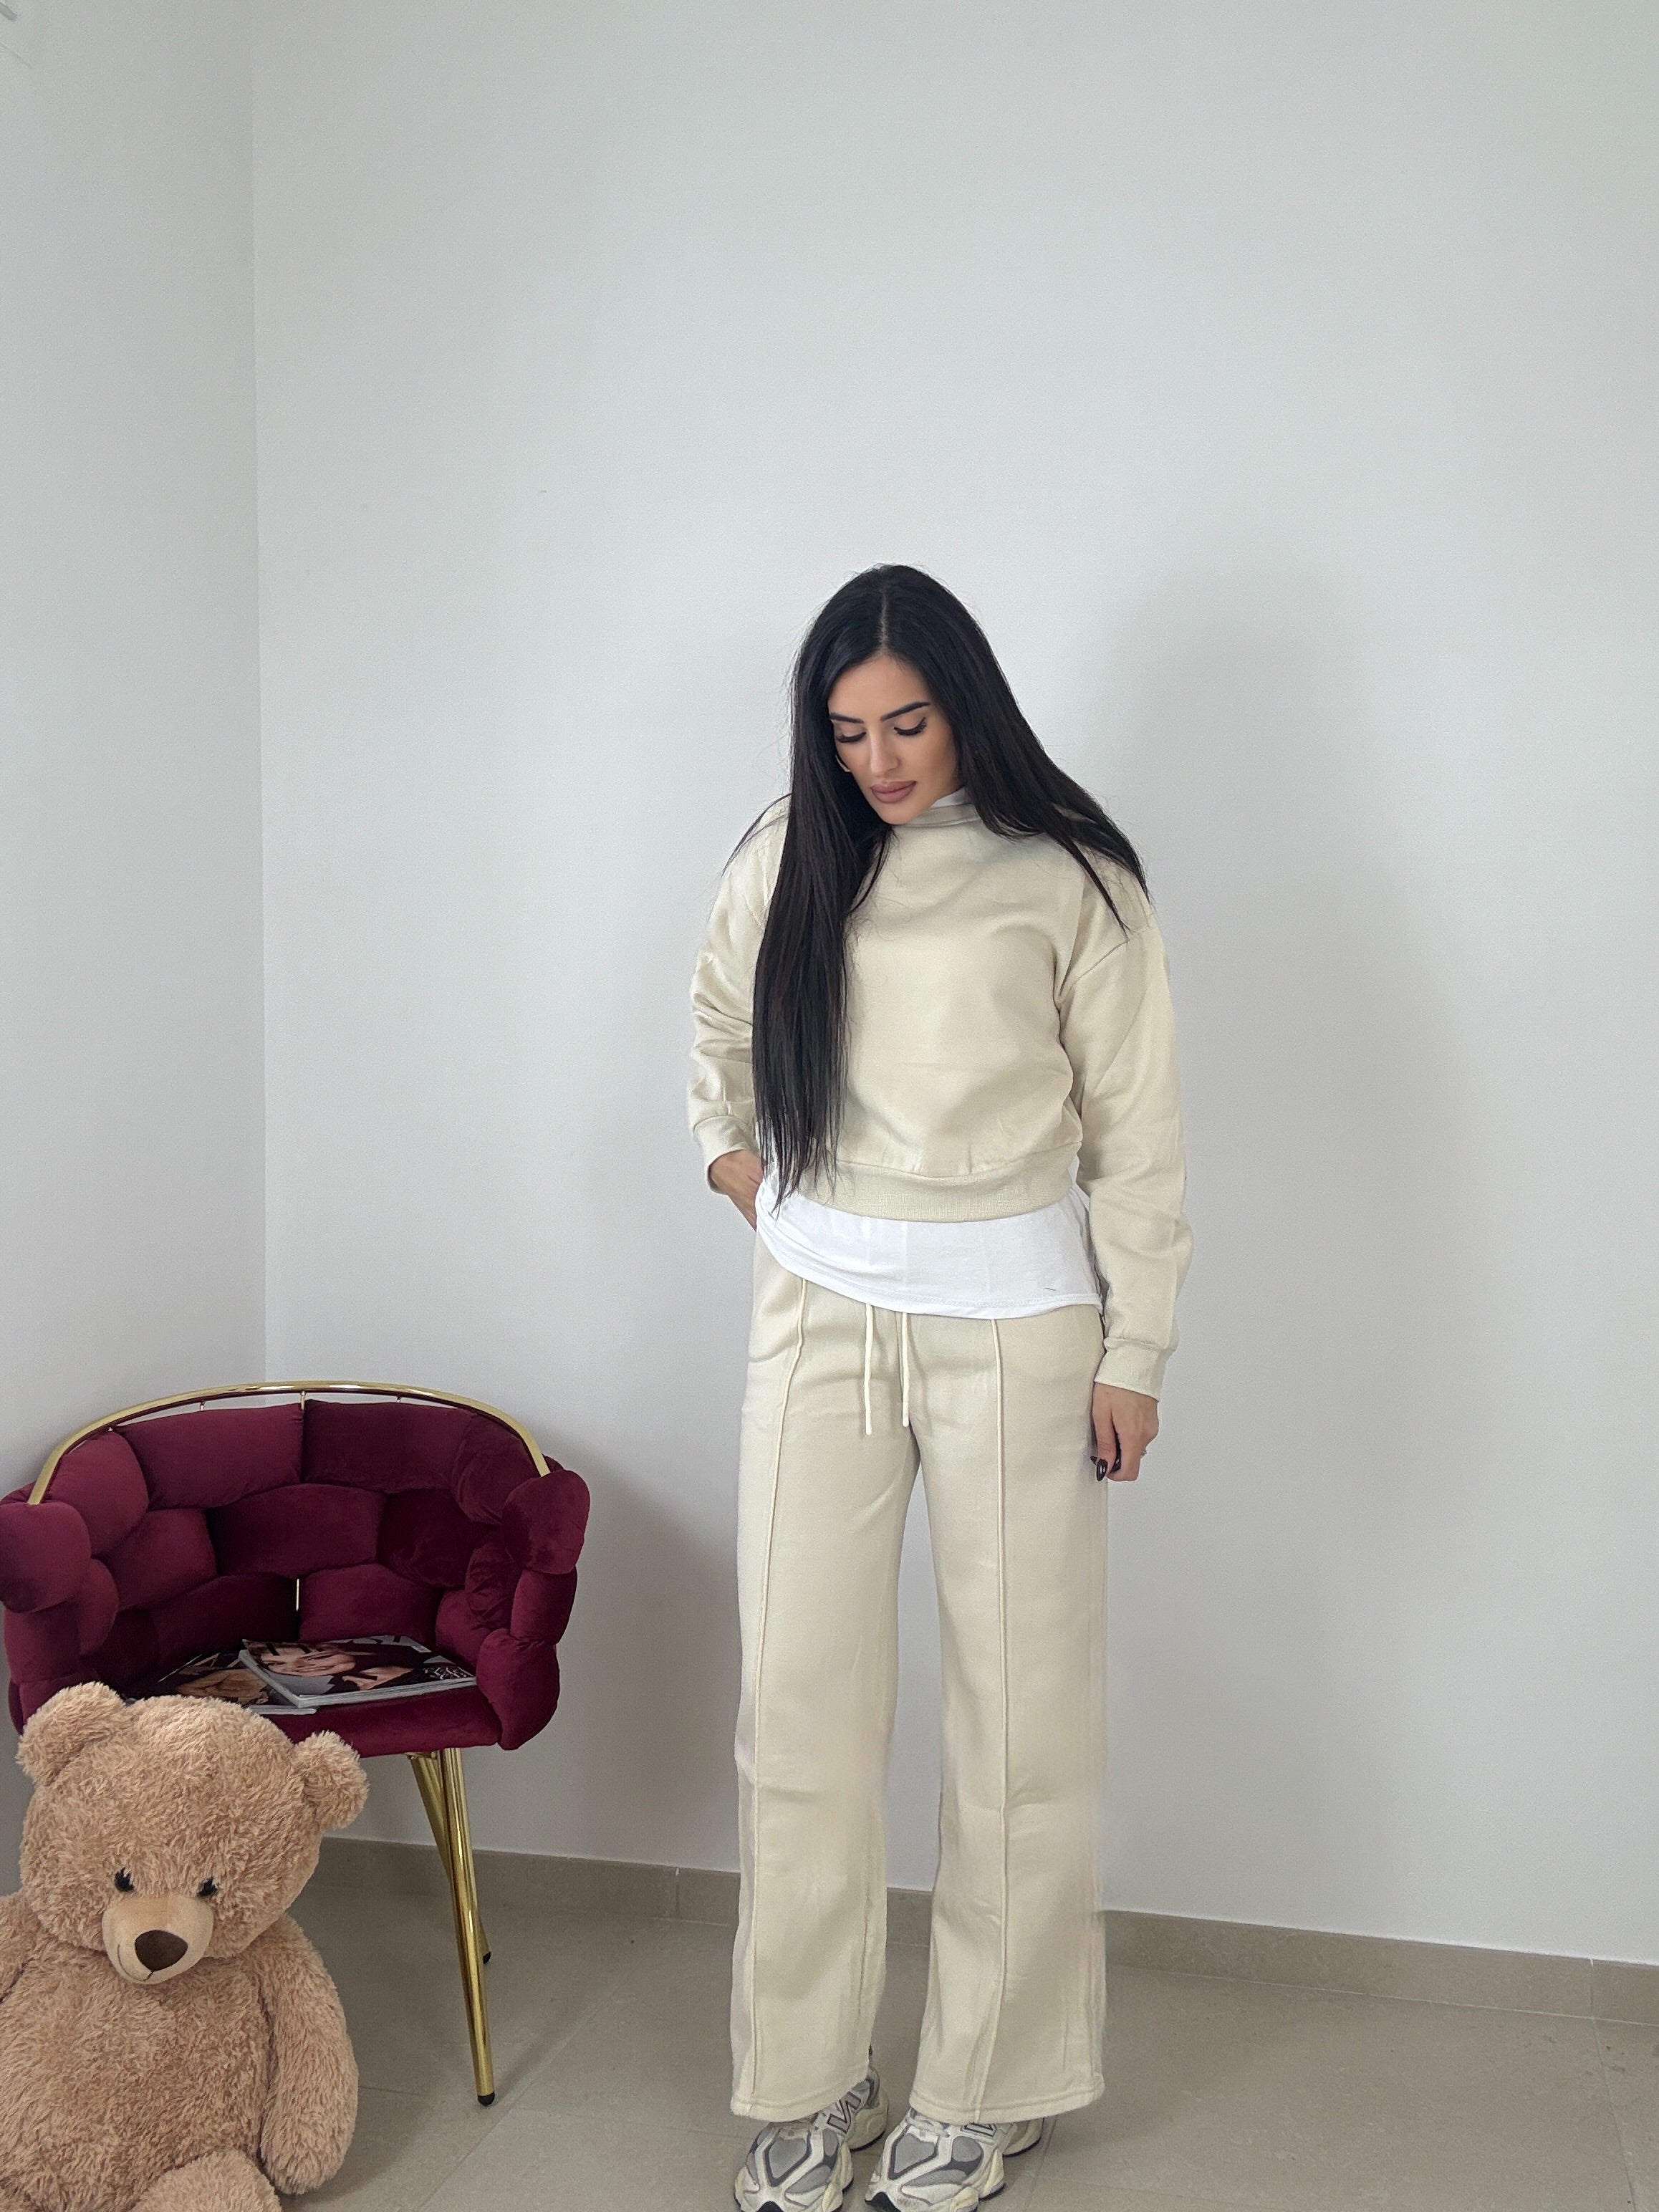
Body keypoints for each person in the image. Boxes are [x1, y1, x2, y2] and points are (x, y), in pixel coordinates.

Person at [688, 564, 1191, 2212]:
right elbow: (716, 1030)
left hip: (1021, 1327)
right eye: (848, 733)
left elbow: (1137, 1131)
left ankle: (991, 2077)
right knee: (800, 1713)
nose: (881, 760)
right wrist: (746, 1172)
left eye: (906, 722)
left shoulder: (1073, 875)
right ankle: (804, 2071)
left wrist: (1134, 1349)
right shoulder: (788, 849)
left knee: (1021, 1723)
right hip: (818, 1317)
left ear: (966, 698)